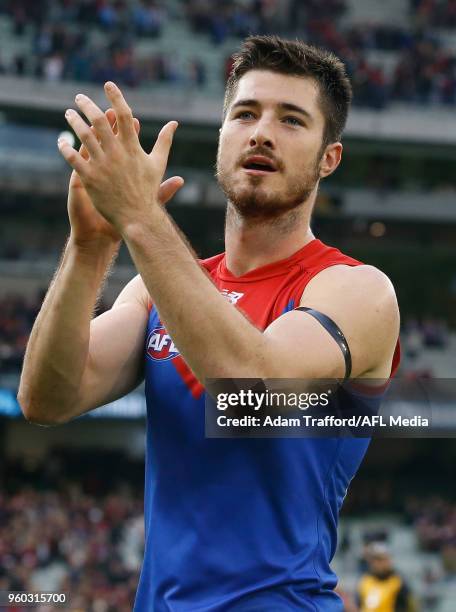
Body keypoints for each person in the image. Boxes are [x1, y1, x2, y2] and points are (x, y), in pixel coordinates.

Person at [18, 36, 400, 611]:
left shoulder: (357, 289)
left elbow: (250, 386)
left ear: (329, 157)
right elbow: (46, 398)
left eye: (291, 120)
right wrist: (91, 246)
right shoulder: (155, 290)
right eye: (245, 113)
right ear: (222, 137)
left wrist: (142, 218)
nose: (262, 132)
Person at [357, 543, 417, 612]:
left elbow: (410, 606)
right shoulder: (364, 581)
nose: (377, 564)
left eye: (381, 559)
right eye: (374, 560)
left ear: (389, 560)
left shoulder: (398, 582)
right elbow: (359, 605)